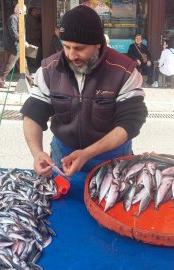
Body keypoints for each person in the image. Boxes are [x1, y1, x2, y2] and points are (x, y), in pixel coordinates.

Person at [20, 5, 147, 178]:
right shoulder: (49, 69)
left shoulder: (124, 71)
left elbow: (131, 122)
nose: (72, 55)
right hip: (63, 153)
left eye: (79, 48)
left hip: (112, 156)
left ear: (97, 44)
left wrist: (87, 153)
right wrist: (37, 153)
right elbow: (33, 114)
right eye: (67, 47)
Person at [0, 4, 34, 88]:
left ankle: (29, 80)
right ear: (16, 10)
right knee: (9, 64)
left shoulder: (17, 18)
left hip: (18, 45)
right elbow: (13, 33)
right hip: (14, 45)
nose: (24, 13)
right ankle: (0, 81)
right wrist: (23, 42)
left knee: (23, 64)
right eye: (23, 11)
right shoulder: (13, 18)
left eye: (25, 11)